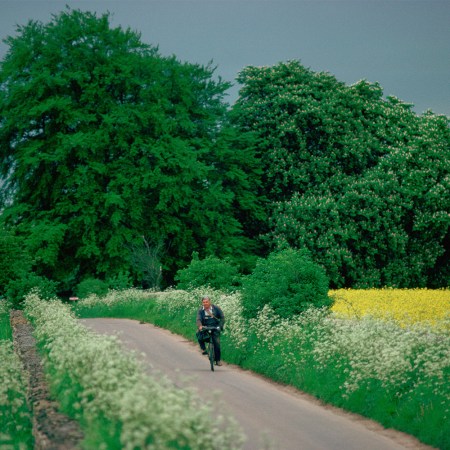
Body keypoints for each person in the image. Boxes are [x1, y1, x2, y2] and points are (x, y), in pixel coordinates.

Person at [196, 295, 225, 366]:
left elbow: (222, 317)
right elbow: (198, 319)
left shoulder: (216, 308)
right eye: (204, 302)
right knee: (198, 334)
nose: (205, 303)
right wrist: (200, 326)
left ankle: (218, 360)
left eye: (206, 302)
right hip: (205, 327)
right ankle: (203, 349)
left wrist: (220, 326)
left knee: (217, 343)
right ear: (202, 303)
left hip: (215, 327)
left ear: (210, 302)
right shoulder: (201, 310)